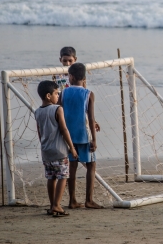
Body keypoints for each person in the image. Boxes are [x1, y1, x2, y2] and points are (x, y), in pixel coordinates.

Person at [59, 62, 103, 209]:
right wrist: (94, 139)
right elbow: (90, 118)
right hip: (84, 135)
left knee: (72, 165)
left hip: (68, 136)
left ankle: (72, 200)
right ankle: (88, 200)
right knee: (91, 165)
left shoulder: (64, 93)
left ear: (70, 77)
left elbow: (59, 112)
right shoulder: (88, 94)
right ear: (84, 78)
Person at [35, 80, 78, 217]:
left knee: (51, 177)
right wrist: (71, 147)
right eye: (56, 93)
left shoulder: (37, 112)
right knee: (63, 176)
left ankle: (52, 204)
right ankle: (57, 205)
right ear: (48, 96)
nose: (58, 96)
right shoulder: (57, 109)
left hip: (46, 150)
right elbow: (64, 129)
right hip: (59, 149)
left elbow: (39, 132)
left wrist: (44, 144)